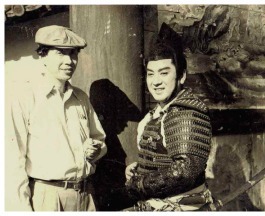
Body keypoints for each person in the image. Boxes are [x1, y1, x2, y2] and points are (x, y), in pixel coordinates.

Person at [5, 25, 107, 211]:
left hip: (86, 196)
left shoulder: (81, 98)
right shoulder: (24, 97)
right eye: (60, 53)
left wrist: (95, 150)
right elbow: (11, 162)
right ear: (42, 56)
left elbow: (99, 140)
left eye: (73, 53)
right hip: (48, 198)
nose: (69, 61)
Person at [124, 22, 214, 211]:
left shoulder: (187, 113)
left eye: (164, 73)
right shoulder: (154, 115)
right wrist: (140, 169)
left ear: (181, 76)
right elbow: (163, 158)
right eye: (150, 74)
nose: (156, 82)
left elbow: (184, 171)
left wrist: (138, 184)